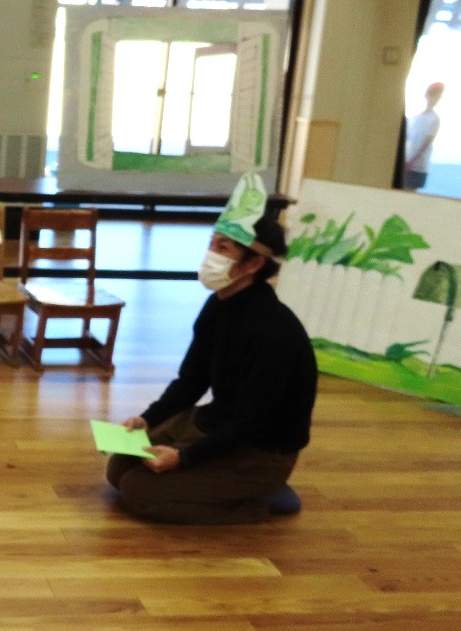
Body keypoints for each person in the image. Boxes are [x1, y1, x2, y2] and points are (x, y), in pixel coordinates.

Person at [106, 175, 317, 524]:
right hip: (218, 422)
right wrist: (148, 418)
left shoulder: (274, 333)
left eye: (223, 248)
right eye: (211, 244)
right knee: (119, 468)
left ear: (253, 265)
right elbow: (191, 381)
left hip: (260, 450)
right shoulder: (218, 304)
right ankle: (219, 485)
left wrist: (185, 457)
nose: (210, 255)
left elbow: (251, 423)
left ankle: (257, 499)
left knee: (138, 491)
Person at [403, 82, 444, 192]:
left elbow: (426, 143)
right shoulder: (416, 117)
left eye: (437, 95)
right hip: (407, 163)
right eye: (432, 94)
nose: (434, 98)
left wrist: (411, 162)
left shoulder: (434, 119)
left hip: (418, 167)